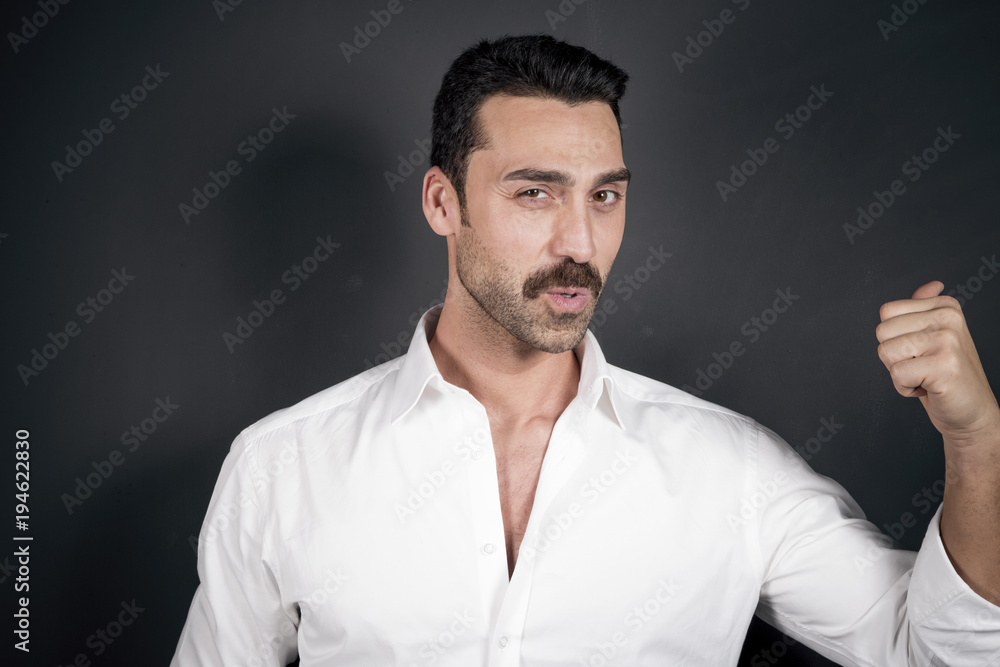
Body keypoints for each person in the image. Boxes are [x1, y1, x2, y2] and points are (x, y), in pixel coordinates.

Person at [171, 34, 1000, 666]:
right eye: (535, 192)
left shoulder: (733, 472)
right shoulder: (281, 467)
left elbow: (932, 651)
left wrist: (976, 442)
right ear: (441, 202)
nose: (580, 241)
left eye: (605, 196)